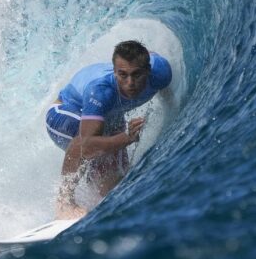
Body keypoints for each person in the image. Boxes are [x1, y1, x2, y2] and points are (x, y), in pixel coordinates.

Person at [45, 40, 172, 219]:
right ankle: (64, 203)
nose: (130, 83)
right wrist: (126, 137)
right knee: (84, 140)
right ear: (114, 72)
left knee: (113, 185)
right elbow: (87, 146)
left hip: (107, 115)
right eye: (123, 75)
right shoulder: (101, 91)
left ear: (147, 71)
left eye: (136, 74)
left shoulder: (161, 72)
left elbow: (152, 57)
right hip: (64, 114)